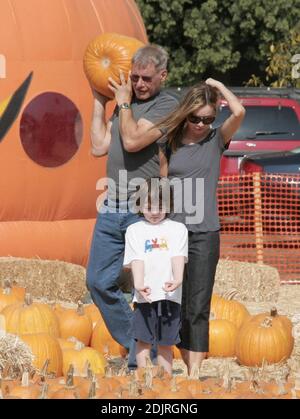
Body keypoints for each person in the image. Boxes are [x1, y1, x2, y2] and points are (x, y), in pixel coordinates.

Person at [86, 44, 178, 368]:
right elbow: (99, 146)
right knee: (97, 281)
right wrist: (99, 98)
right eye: (135, 77)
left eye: (146, 79)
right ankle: (139, 350)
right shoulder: (124, 105)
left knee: (148, 287)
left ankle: (145, 359)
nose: (138, 84)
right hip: (111, 203)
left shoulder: (167, 104)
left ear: (162, 76)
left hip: (144, 209)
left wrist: (123, 102)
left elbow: (133, 141)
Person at [156, 79, 245, 374]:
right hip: (173, 232)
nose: (201, 124)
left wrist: (218, 85)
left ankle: (194, 374)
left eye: (208, 118)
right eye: (195, 118)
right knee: (171, 301)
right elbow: (162, 182)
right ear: (186, 113)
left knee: (197, 305)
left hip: (205, 233)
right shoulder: (170, 141)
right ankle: (168, 361)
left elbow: (240, 111)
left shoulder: (216, 139)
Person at [123, 177, 188, 375]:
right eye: (149, 206)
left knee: (165, 344)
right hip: (145, 296)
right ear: (140, 205)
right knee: (142, 341)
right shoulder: (134, 230)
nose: (154, 212)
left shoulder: (178, 229)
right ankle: (144, 379)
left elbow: (178, 256)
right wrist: (139, 284)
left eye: (160, 206)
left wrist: (178, 279)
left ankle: (165, 381)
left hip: (169, 296)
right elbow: (137, 259)